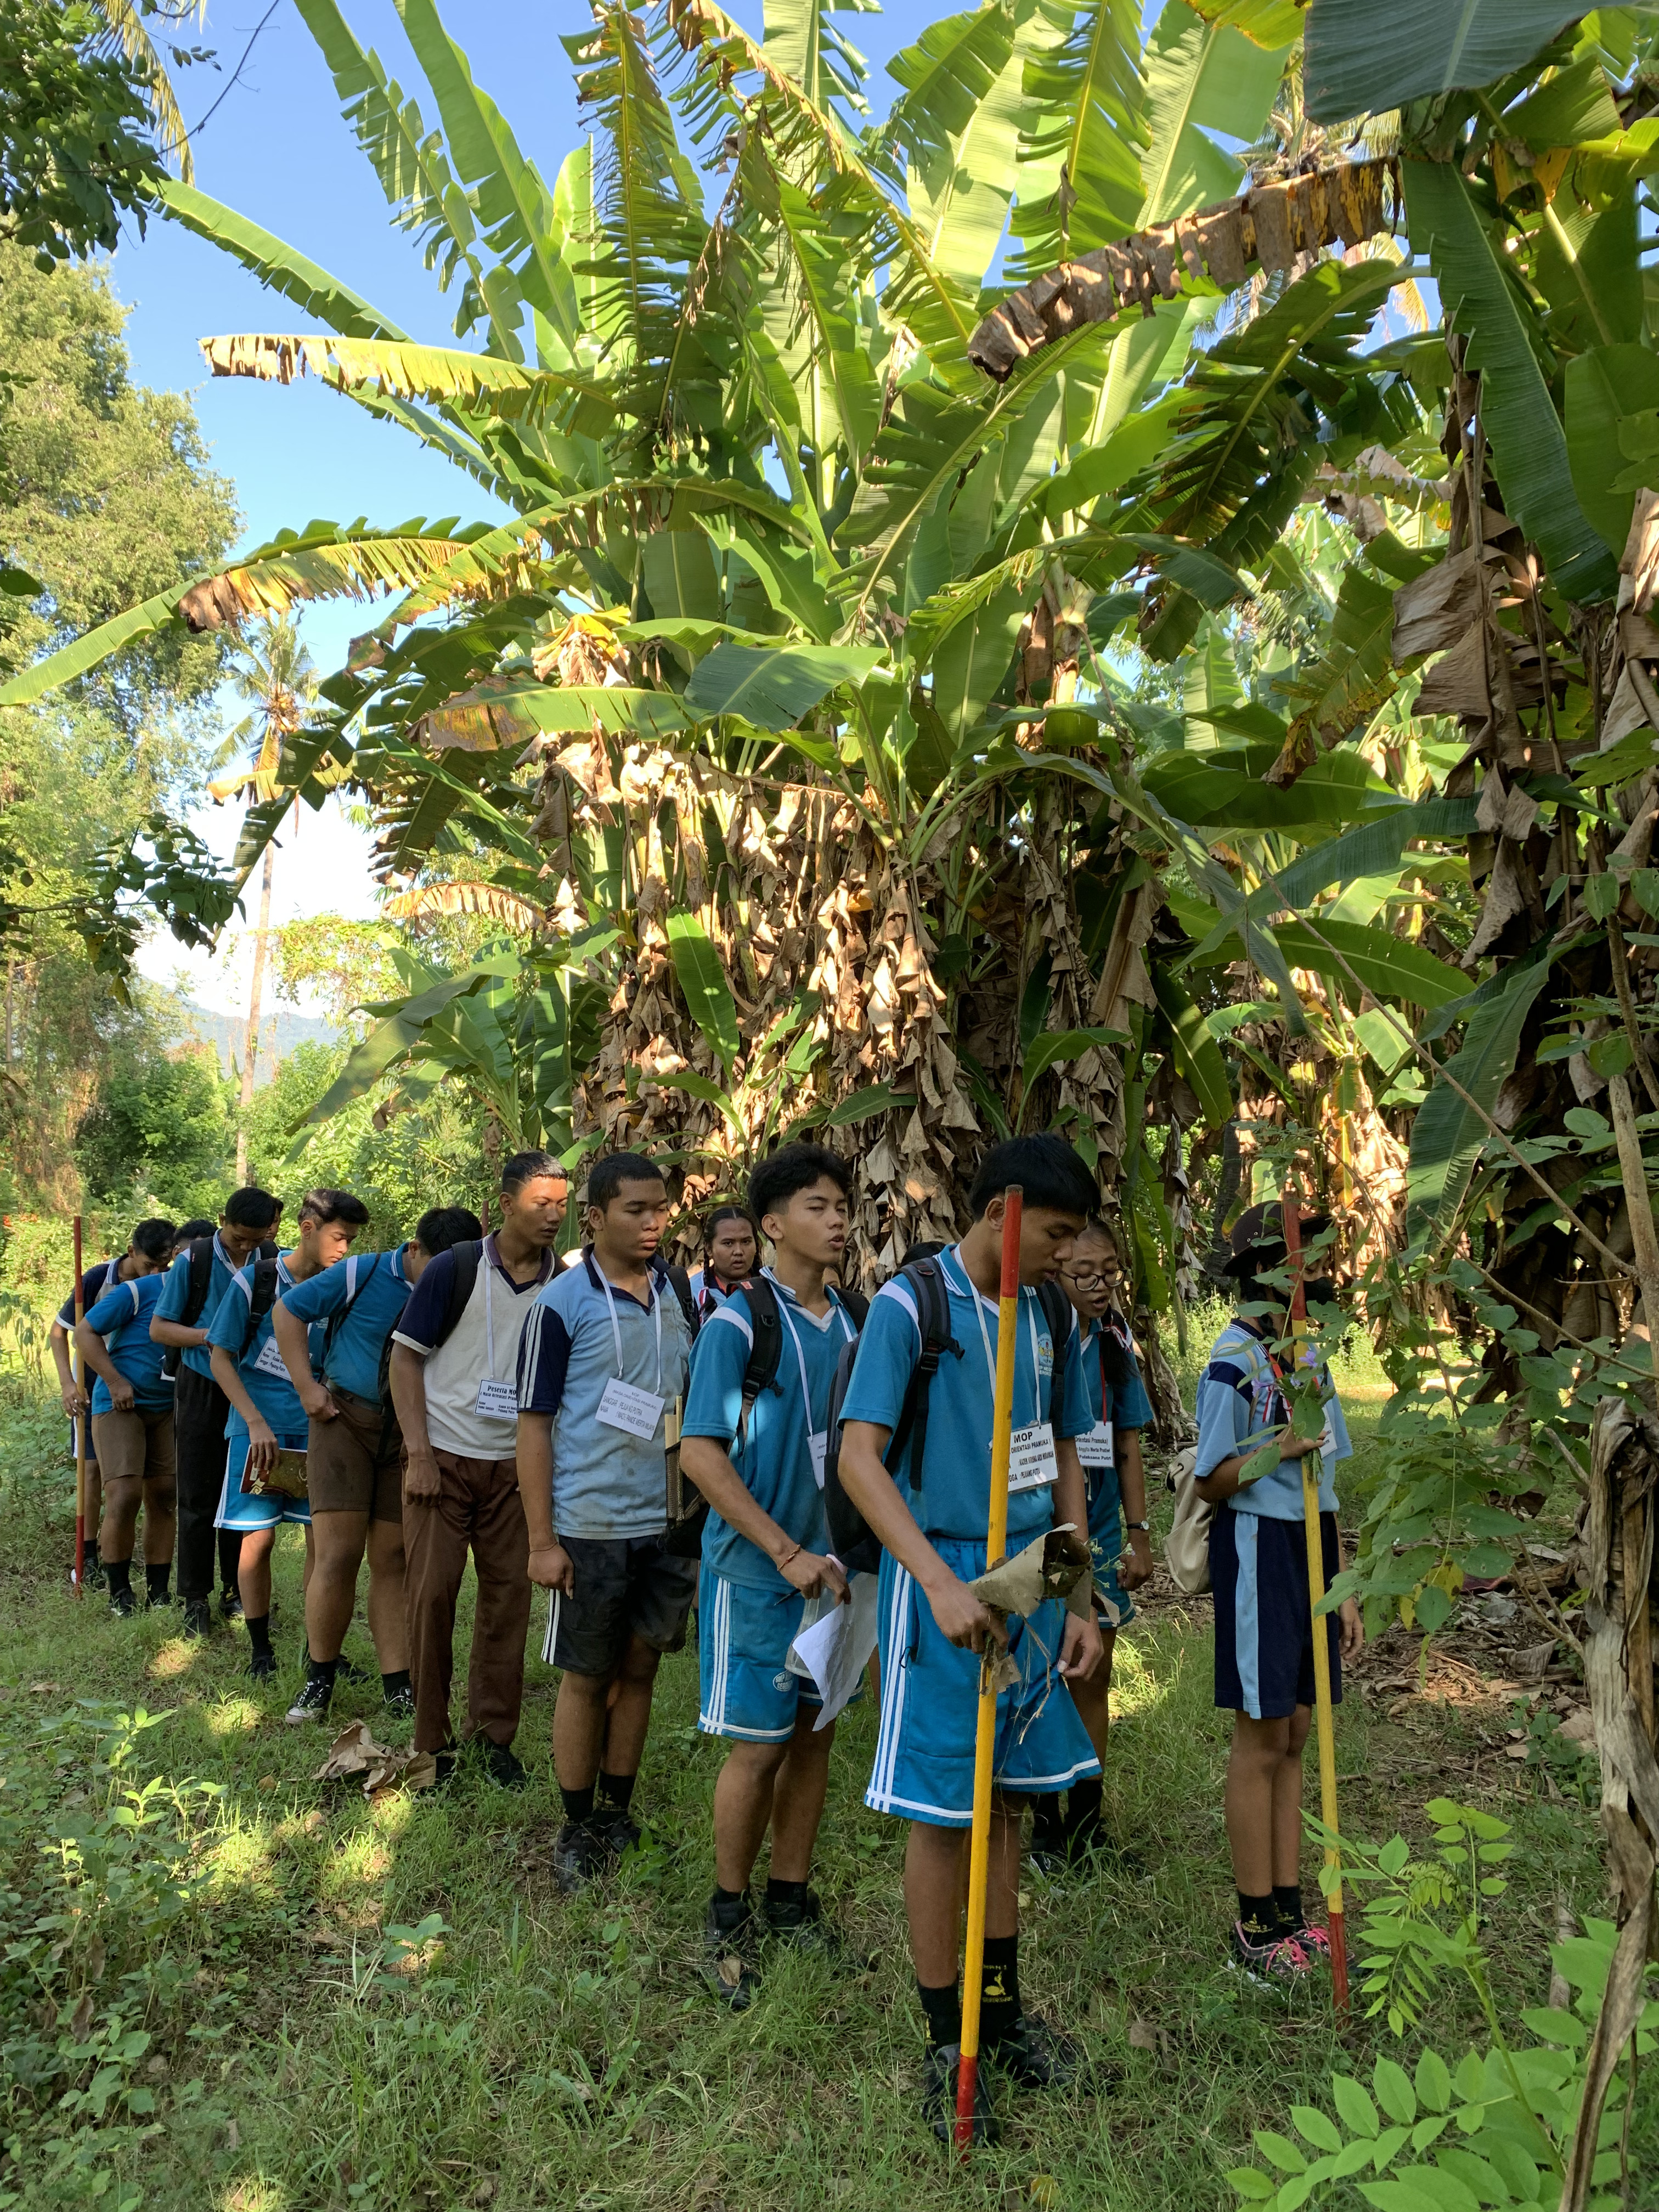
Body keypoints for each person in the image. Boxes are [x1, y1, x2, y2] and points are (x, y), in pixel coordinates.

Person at [836, 1132, 1104, 2144]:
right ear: (1001, 1211)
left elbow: (1065, 1453)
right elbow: (860, 1460)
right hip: (940, 1583)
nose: (1069, 1253)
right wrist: (939, 1585)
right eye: (1057, 1233)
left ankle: (1003, 2014)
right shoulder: (914, 1307)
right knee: (946, 1813)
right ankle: (943, 2034)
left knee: (1007, 1806)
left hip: (1032, 1579)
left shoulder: (1050, 1315)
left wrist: (1077, 1597)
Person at [680, 1144, 862, 2001]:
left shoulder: (858, 1321)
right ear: (773, 1225)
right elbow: (700, 1453)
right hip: (758, 1575)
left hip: (837, 1577)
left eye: (843, 1207)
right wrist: (783, 1550)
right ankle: (728, 1913)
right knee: (758, 1748)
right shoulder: (738, 1324)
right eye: (818, 1207)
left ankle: (790, 1898)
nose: (838, 1221)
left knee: (814, 1737)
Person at [1194, 1201, 1363, 1983]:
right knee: (1261, 1736)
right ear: (1266, 1269)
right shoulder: (1233, 1362)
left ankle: (1291, 1909)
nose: (1318, 1274)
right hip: (1259, 1550)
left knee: (1297, 1731)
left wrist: (1343, 1583)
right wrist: (1278, 1450)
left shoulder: (1310, 1357)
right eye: (1304, 1259)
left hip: (1311, 1552)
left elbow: (1328, 1480)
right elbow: (1211, 1478)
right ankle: (1255, 1924)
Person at [517, 1150, 695, 1889]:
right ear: (594, 1219)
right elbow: (533, 1426)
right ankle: (577, 1824)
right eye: (636, 1210)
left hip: (667, 1518)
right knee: (587, 1674)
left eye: (661, 1209)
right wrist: (542, 1541)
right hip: (590, 1524)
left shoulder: (676, 1291)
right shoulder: (561, 1305)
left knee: (641, 1666)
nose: (654, 1223)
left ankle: (619, 1811)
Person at [390, 1156, 566, 1786]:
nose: (554, 1215)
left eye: (562, 1204)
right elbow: (405, 1361)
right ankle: (430, 1743)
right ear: (506, 1204)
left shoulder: (564, 1284)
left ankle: (492, 1740)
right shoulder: (455, 1267)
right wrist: (418, 1453)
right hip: (443, 1461)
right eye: (541, 1202)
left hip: (517, 1472)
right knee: (431, 1597)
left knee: (507, 1602)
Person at [271, 1206, 478, 1726]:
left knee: (392, 1558)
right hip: (343, 1422)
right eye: (436, 1267)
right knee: (338, 1554)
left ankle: (398, 1685)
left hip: (410, 1437)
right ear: (415, 1250)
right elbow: (288, 1312)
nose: (443, 1280)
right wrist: (306, 1387)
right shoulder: (360, 1273)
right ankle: (319, 1678)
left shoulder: (465, 1283)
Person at [1031, 1216, 1154, 1869]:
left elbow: (1127, 1443)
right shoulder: (1033, 1341)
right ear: (1055, 1271)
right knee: (1044, 1672)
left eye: (1110, 1272)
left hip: (1099, 1535)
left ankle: (1086, 1824)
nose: (1100, 1285)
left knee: (1093, 1672)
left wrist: (1138, 1535)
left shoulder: (1113, 1342)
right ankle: (1042, 1824)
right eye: (1084, 1273)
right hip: (1042, 1536)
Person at [206, 1189, 369, 1680]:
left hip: (319, 1435)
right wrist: (254, 1421)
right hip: (259, 1436)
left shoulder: (340, 1287)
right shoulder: (256, 1282)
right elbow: (220, 1357)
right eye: (339, 1237)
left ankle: (320, 1653)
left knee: (324, 1544)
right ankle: (261, 1650)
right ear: (307, 1228)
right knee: (258, 1541)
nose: (345, 1248)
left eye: (352, 1240)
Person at [151, 1188, 284, 1638]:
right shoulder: (194, 1261)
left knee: (241, 1493)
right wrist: (210, 1336)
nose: (245, 1246)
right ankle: (194, 1598)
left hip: (252, 1390)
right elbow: (160, 1328)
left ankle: (236, 1590)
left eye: (255, 1240)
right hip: (202, 1385)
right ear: (222, 1220)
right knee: (197, 1493)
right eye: (237, 1236)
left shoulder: (274, 1261)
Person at [51, 1218, 179, 1590]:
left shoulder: (167, 1285)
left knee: (153, 1489)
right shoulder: (99, 1279)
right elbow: (62, 1332)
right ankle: (88, 1558)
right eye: (149, 1265)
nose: (156, 1273)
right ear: (131, 1252)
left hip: (146, 1387)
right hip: (98, 1385)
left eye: (164, 1266)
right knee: (95, 1474)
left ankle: (141, 1574)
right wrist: (68, 1384)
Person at [689, 1204, 758, 1319]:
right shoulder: (692, 1292)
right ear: (709, 1249)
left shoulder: (771, 1288)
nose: (739, 1251)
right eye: (728, 1243)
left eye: (746, 1242)